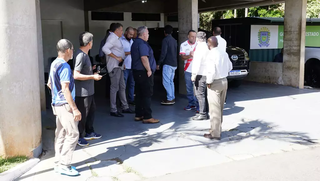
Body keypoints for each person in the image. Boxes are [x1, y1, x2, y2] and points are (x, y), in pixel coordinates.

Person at [47, 39, 81, 176]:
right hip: (65, 105)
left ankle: (58, 162)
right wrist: (74, 108)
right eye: (72, 50)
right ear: (68, 50)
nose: (72, 52)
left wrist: (56, 97)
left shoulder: (54, 63)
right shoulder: (65, 66)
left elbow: (50, 84)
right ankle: (65, 165)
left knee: (61, 134)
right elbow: (65, 88)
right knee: (73, 134)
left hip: (57, 104)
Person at [74, 32, 102, 147]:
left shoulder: (85, 55)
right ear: (90, 43)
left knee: (91, 111)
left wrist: (91, 70)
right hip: (83, 92)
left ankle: (89, 132)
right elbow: (75, 75)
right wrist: (92, 76)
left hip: (89, 91)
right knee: (83, 115)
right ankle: (79, 137)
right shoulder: (81, 55)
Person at [102, 23, 134, 117]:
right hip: (114, 67)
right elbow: (105, 49)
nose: (122, 32)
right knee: (114, 88)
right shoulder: (112, 38)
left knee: (122, 86)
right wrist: (116, 57)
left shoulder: (116, 38)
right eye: (121, 30)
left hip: (119, 66)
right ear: (116, 31)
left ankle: (125, 106)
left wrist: (122, 63)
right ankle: (113, 109)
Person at [204, 36, 233, 140]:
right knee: (220, 108)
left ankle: (215, 134)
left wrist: (209, 82)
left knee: (214, 109)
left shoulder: (211, 54)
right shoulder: (223, 53)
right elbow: (230, 67)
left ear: (209, 44)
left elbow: (211, 71)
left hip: (215, 83)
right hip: (224, 81)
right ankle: (218, 129)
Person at [131, 26, 159, 124]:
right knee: (147, 94)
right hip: (143, 72)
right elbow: (144, 57)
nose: (148, 35)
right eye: (147, 33)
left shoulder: (135, 42)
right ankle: (147, 116)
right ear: (143, 34)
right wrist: (149, 70)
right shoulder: (142, 44)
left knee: (139, 94)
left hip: (137, 72)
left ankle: (139, 114)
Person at [157, 25, 178, 105]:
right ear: (172, 32)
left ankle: (169, 98)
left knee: (166, 82)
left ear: (164, 32)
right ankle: (172, 97)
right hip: (174, 64)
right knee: (171, 81)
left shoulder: (165, 40)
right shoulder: (174, 40)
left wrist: (159, 63)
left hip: (168, 63)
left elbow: (163, 53)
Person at [191, 31, 209, 120]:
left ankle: (202, 114)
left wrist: (194, 74)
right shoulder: (207, 47)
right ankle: (206, 112)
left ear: (197, 39)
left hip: (200, 74)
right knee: (204, 94)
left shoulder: (199, 48)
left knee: (199, 95)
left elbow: (197, 62)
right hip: (207, 74)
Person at [179, 30, 199, 111]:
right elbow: (182, 57)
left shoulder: (199, 45)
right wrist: (190, 55)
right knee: (189, 89)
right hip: (188, 70)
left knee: (198, 89)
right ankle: (191, 104)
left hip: (197, 71)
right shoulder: (183, 45)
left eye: (195, 36)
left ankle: (199, 106)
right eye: (192, 36)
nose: (194, 38)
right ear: (188, 36)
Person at [120, 27, 135, 105]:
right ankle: (123, 101)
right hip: (125, 66)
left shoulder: (132, 41)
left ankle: (131, 99)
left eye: (132, 35)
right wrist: (128, 53)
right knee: (123, 85)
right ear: (126, 33)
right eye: (130, 34)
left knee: (132, 84)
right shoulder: (121, 41)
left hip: (132, 66)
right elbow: (119, 53)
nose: (131, 36)